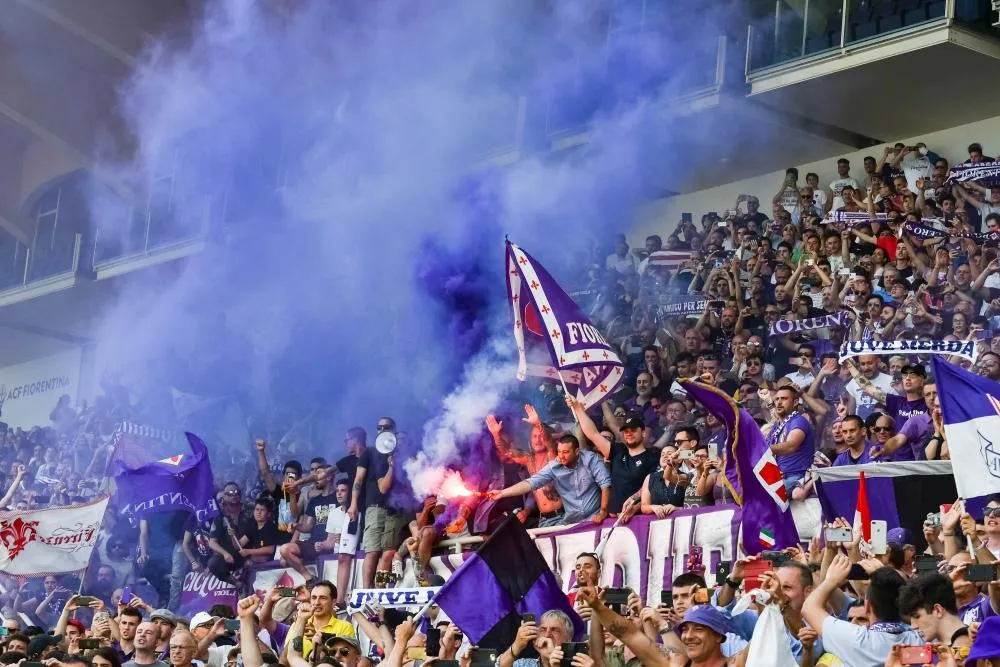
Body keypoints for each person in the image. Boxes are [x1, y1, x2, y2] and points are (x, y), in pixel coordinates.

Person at [802, 554, 922, 666]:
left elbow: (809, 608)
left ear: (867, 606)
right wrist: (884, 576)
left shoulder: (855, 639)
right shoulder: (919, 639)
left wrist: (831, 581)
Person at [488, 434, 611, 526]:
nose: (561, 456)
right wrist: (502, 493)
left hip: (596, 519)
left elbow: (605, 485)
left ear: (576, 451)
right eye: (559, 452)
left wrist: (603, 512)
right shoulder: (554, 467)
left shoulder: (591, 459)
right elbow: (530, 483)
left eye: (565, 452)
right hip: (572, 523)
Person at [568, 399, 658, 516]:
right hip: (612, 518)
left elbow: (652, 485)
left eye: (633, 430)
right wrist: (577, 408)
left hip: (638, 517)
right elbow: (593, 434)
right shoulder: (618, 450)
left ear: (643, 433)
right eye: (626, 431)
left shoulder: (653, 456)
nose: (629, 433)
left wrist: (635, 506)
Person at [350, 417, 407, 589]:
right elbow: (358, 480)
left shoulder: (400, 451)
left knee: (387, 551)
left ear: (394, 429)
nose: (382, 430)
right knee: (372, 551)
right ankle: (367, 591)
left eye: (386, 427)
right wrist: (353, 504)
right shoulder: (370, 452)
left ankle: (380, 590)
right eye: (379, 427)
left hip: (396, 509)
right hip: (375, 506)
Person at [279, 464, 339, 583]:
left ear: (329, 477)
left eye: (318, 475)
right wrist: (297, 526)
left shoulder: (338, 496)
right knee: (285, 549)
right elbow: (308, 526)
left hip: (333, 544)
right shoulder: (314, 501)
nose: (315, 478)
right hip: (313, 543)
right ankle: (309, 578)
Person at [898, 573, 972, 650]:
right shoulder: (934, 647)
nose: (913, 626)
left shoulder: (970, 645)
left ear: (938, 610)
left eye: (917, 616)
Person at [766, 385, 815, 493]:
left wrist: (764, 448)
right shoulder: (777, 426)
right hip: (781, 477)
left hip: (797, 477)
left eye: (784, 399)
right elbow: (765, 448)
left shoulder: (798, 421)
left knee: (761, 494)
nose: (779, 402)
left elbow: (791, 446)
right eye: (777, 399)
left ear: (795, 402)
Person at [500, 609, 577, 667]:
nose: (547, 635)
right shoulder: (523, 664)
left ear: (568, 639)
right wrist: (517, 645)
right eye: (543, 630)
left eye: (555, 630)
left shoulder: (578, 664)